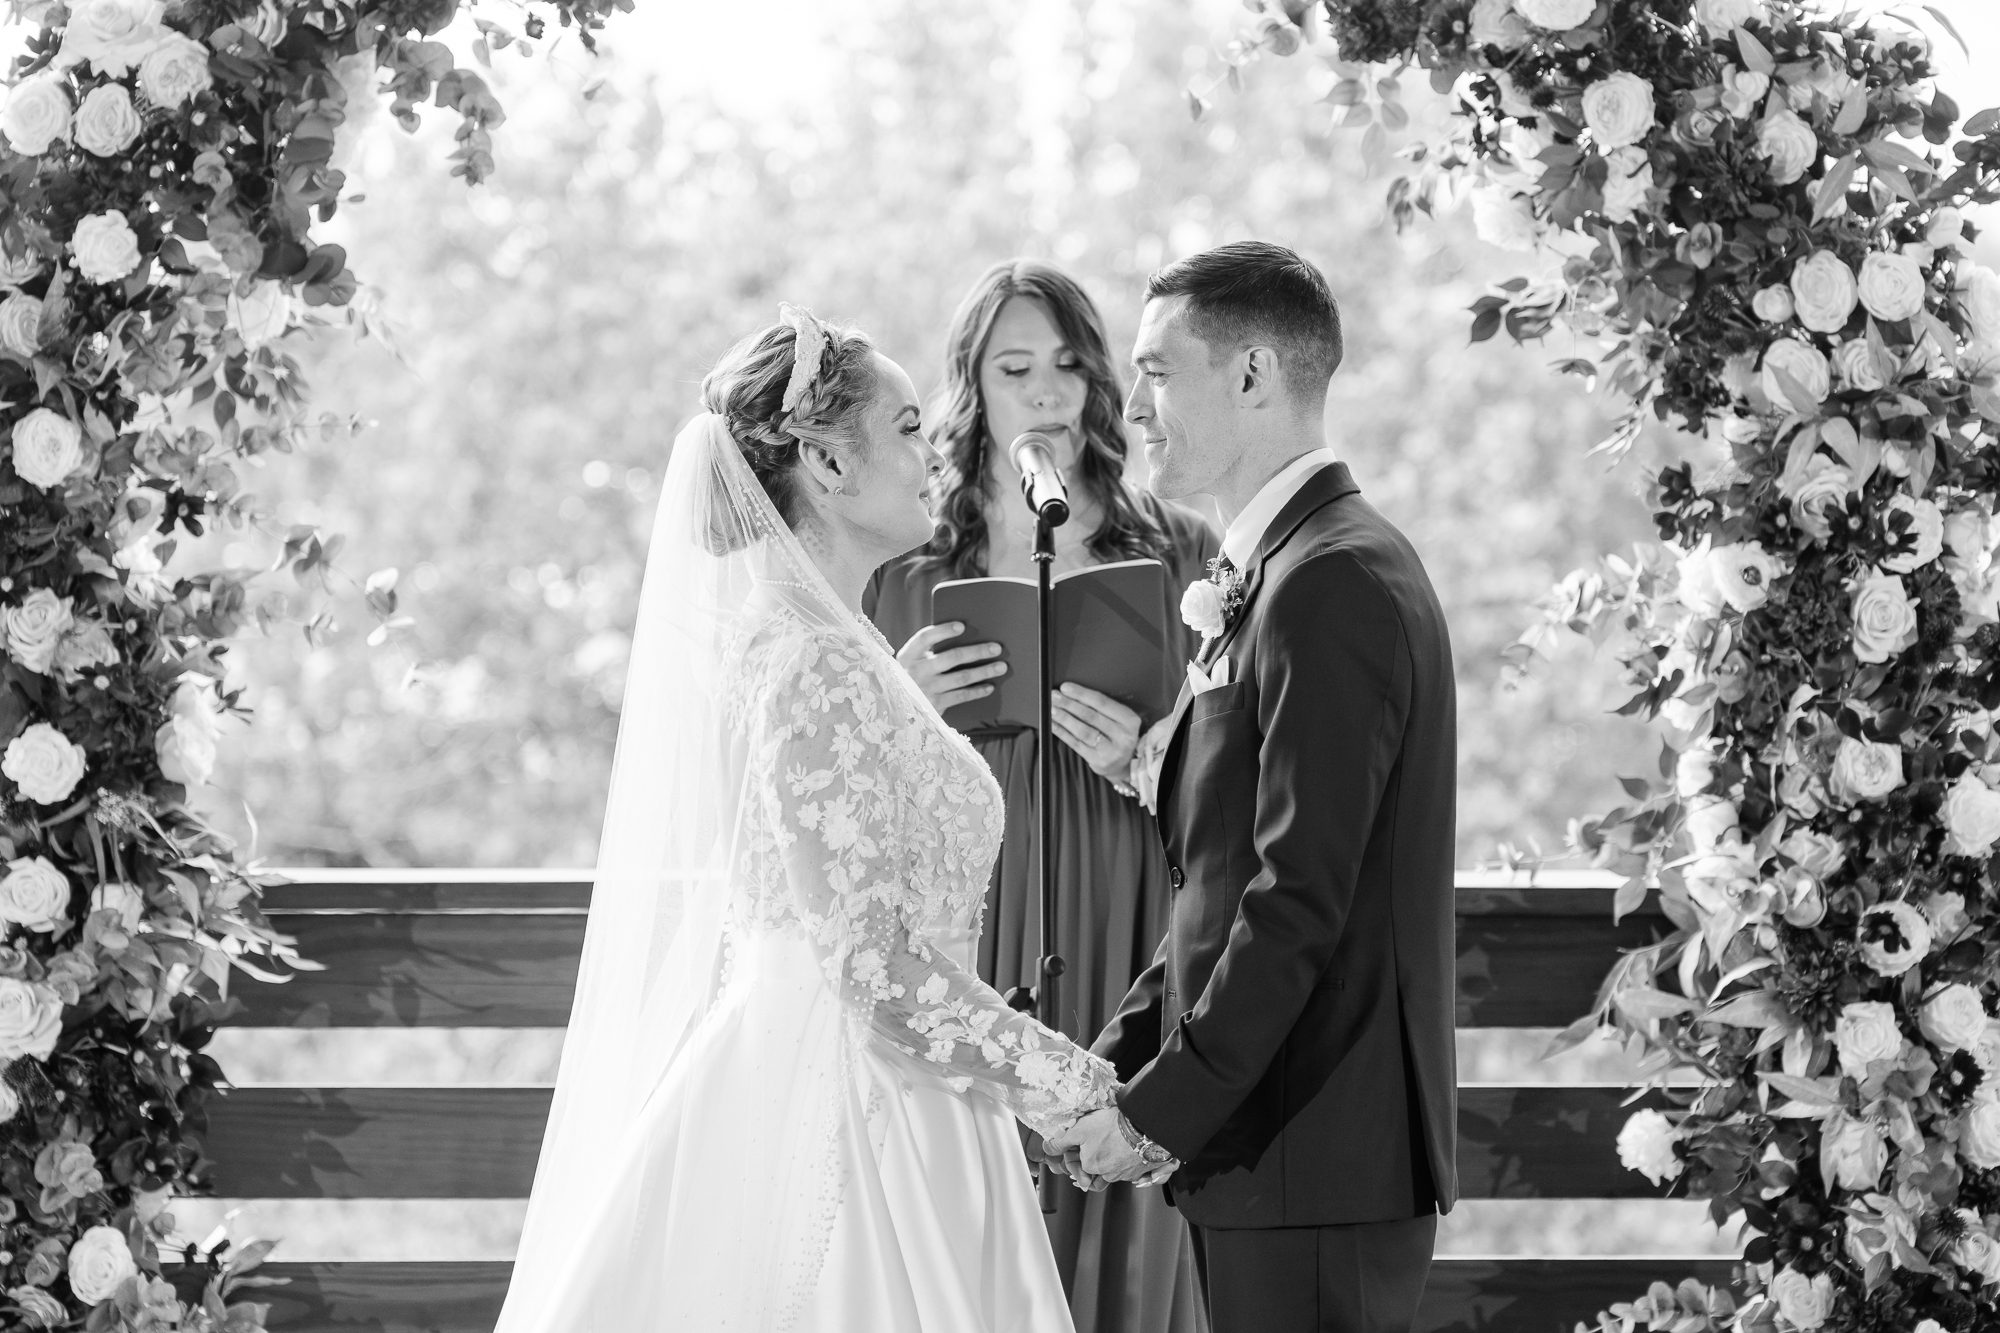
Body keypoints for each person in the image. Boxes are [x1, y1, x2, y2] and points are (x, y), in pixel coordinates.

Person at [493, 306, 1151, 1333]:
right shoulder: (811, 662)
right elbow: (869, 963)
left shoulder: (834, 651)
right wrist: (1061, 1078)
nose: (934, 446)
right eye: (901, 427)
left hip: (906, 1092)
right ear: (824, 465)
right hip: (848, 1112)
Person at [1045, 242, 1459, 1333]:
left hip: (1315, 1152)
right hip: (1268, 1156)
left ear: (1251, 373)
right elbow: (1216, 878)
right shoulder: (1281, 570)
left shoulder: (1332, 580)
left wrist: (1154, 1117)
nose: (1128, 404)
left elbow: (1296, 900)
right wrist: (1116, 1063)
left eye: (1154, 370)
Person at [865, 260, 1218, 1333]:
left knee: (1130, 1176)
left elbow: (1246, 779)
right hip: (978, 912)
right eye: (1015, 368)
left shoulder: (1184, 549)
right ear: (972, 386)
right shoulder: (901, 568)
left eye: (1069, 365)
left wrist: (1156, 748)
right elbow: (833, 795)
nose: (1048, 393)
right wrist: (903, 706)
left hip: (1132, 894)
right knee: (982, 1210)